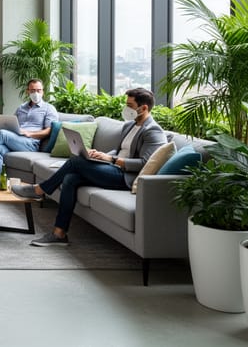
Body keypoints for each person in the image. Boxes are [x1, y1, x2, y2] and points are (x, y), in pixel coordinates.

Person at [11, 87, 167, 247]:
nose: (126, 109)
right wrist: (100, 154)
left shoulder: (153, 131)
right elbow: (121, 151)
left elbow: (144, 163)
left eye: (130, 105)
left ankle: (39, 190)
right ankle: (59, 234)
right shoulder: (129, 126)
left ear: (144, 108)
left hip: (125, 177)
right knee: (71, 178)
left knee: (76, 161)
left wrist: (111, 159)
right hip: (112, 168)